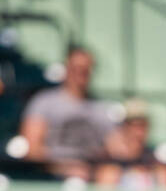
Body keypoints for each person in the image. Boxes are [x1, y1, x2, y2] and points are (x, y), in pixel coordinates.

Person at [19, 45, 113, 178]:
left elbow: (114, 148)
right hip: (51, 176)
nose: (81, 74)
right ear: (66, 69)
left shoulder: (101, 108)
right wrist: (64, 167)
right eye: (76, 68)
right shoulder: (43, 102)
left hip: (90, 176)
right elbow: (32, 148)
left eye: (86, 69)